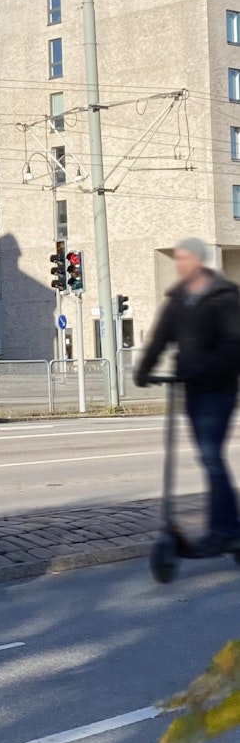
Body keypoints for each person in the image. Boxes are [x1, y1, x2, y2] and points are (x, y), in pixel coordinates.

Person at [135, 238, 240, 555]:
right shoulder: (178, 298)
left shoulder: (223, 297)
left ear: (199, 261)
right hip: (193, 389)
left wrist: (203, 368)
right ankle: (228, 528)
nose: (180, 264)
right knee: (208, 457)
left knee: (210, 456)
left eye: (185, 258)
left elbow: (234, 345)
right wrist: (145, 369)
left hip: (219, 389)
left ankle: (225, 530)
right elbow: (161, 337)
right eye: (178, 259)